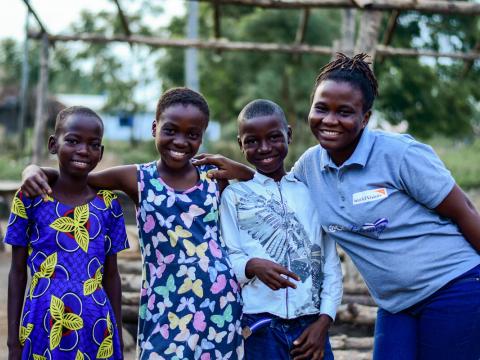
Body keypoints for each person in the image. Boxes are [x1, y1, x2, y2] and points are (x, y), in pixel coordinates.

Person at [193, 53, 480, 360]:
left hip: (453, 287)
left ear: (365, 117)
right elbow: (276, 186)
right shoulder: (311, 166)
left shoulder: (400, 154)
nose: (329, 120)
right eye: (321, 108)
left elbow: (465, 211)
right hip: (396, 305)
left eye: (344, 112)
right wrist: (241, 171)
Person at [21, 88, 244, 360]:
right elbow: (76, 176)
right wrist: (33, 170)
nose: (180, 141)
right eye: (171, 130)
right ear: (154, 128)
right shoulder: (136, 178)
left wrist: (238, 167)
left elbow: (260, 186)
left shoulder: (214, 177)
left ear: (202, 136)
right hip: (165, 303)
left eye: (192, 134)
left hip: (219, 301)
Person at [219, 99, 342, 360]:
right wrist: (252, 265)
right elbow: (228, 254)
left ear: (288, 134)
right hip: (259, 326)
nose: (264, 148)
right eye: (252, 141)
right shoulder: (235, 196)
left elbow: (330, 263)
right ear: (240, 144)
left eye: (274, 137)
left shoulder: (312, 191)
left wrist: (324, 321)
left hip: (311, 325)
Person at [5, 106, 128, 360]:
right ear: (53, 144)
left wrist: (115, 336)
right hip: (41, 321)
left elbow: (112, 276)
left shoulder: (108, 205)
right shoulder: (29, 198)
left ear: (101, 152)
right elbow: (17, 272)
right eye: (72, 140)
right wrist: (13, 343)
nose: (83, 150)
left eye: (93, 144)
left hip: (96, 325)